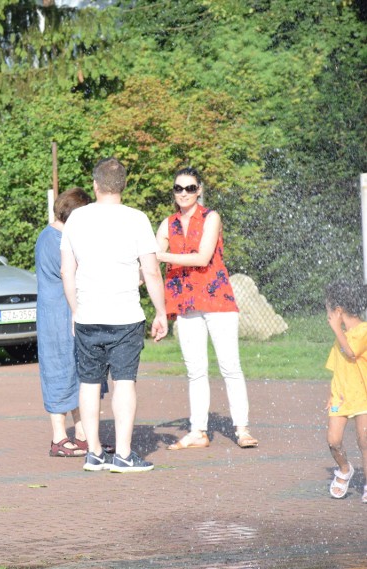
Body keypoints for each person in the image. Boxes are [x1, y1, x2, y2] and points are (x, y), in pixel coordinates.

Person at [60, 157, 167, 473]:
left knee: (89, 382)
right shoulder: (137, 219)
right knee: (124, 382)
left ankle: (93, 453)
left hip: (88, 314)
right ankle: (122, 453)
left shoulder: (77, 219)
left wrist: (75, 310)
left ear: (95, 185)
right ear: (123, 185)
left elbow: (67, 271)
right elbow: (151, 270)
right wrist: (161, 312)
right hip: (125, 316)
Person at [155, 167, 258, 450]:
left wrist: (159, 256)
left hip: (217, 300)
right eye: (179, 188)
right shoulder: (167, 224)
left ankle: (242, 428)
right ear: (174, 191)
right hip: (186, 303)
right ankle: (198, 430)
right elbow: (148, 266)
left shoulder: (211, 217)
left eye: (190, 188)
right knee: (196, 370)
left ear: (199, 190)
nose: (184, 193)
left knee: (230, 366)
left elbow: (201, 257)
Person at [36, 187, 91, 457]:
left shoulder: (60, 235)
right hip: (57, 318)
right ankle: (59, 438)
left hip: (68, 314)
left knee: (79, 372)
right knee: (59, 371)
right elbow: (76, 270)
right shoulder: (53, 239)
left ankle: (82, 434)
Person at [323, 281, 367, 502]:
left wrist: (336, 329)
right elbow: (338, 367)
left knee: (364, 441)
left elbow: (350, 353)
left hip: (364, 396)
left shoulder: (364, 330)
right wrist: (332, 394)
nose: (328, 316)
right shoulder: (339, 337)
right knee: (333, 440)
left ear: (339, 311)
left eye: (330, 311)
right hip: (341, 395)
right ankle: (344, 469)